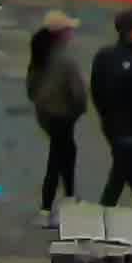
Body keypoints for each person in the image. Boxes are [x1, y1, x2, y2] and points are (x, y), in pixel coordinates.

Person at [89, 8, 132, 208]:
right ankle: (101, 215)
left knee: (128, 174)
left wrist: (105, 119)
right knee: (121, 176)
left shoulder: (103, 56)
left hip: (111, 128)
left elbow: (95, 90)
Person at [26, 11, 89, 213]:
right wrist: (79, 110)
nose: (72, 34)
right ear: (61, 34)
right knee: (58, 160)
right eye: (69, 30)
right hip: (63, 116)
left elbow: (31, 88)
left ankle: (69, 197)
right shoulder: (66, 61)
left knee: (66, 153)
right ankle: (47, 208)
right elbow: (78, 93)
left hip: (46, 115)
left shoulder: (39, 55)